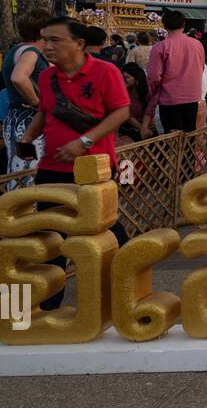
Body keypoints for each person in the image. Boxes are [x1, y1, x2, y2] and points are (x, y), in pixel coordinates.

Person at [18, 16, 131, 309]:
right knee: (52, 236)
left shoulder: (105, 72)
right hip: (52, 169)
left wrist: (84, 142)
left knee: (105, 229)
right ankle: (49, 307)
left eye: (55, 40)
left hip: (94, 169)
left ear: (79, 43)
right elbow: (46, 111)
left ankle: (129, 286)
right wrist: (29, 136)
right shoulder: (46, 77)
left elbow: (121, 112)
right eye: (45, 40)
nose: (47, 47)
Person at [2, 10, 51, 179]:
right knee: (27, 173)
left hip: (17, 119)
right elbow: (18, 78)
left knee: (19, 170)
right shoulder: (31, 52)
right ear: (43, 32)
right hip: (28, 122)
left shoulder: (17, 50)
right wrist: (38, 103)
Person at [144, 9, 206, 133]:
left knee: (172, 139)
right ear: (183, 25)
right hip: (192, 98)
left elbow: (154, 77)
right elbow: (202, 68)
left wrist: (153, 94)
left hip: (169, 99)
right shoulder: (197, 44)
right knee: (189, 136)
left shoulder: (160, 47)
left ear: (164, 26)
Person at [119, 62, 150, 141]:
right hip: (128, 128)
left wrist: (145, 126)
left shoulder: (146, 92)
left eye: (127, 77)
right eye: (122, 77)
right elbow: (128, 116)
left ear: (137, 79)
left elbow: (150, 111)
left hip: (144, 125)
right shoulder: (123, 92)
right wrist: (142, 128)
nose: (124, 80)